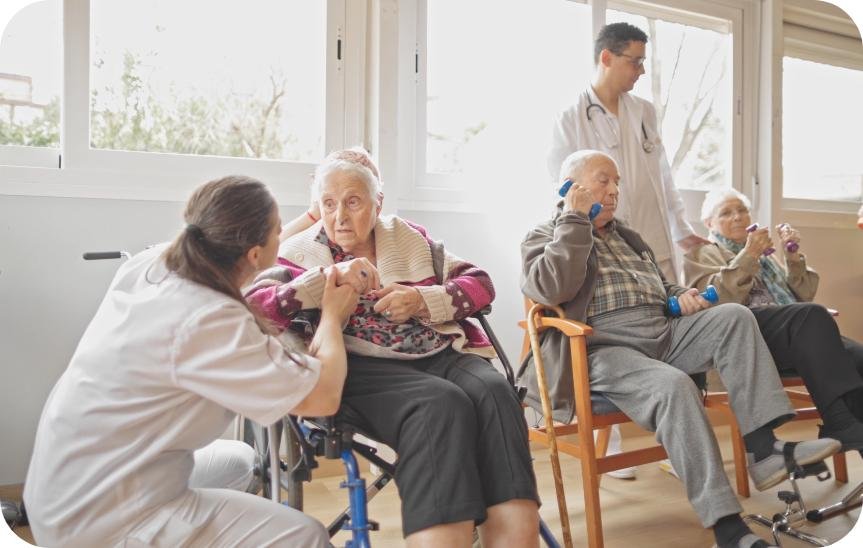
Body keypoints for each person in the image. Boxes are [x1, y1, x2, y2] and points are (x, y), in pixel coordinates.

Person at [520, 150, 840, 548]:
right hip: (603, 344)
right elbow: (552, 289)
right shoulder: (545, 234)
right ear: (571, 186)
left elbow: (659, 286)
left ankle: (764, 450)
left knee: (734, 316)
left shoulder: (627, 236)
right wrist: (574, 219)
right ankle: (728, 529)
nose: (615, 190)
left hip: (663, 331)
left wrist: (682, 295)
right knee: (674, 386)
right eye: (604, 180)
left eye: (617, 181)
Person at [24, 176, 358, 548]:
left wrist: (314, 215)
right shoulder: (210, 320)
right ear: (254, 254)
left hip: (61, 489)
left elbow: (246, 250)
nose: (285, 235)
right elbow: (323, 396)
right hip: (101, 524)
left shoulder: (156, 262)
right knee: (306, 535)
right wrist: (333, 314)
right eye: (278, 230)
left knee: (238, 462)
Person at [246, 147, 540, 548]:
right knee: (439, 404)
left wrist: (422, 300)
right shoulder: (299, 252)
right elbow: (254, 307)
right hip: (361, 369)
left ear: (377, 203)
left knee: (495, 392)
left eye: (352, 202)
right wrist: (327, 278)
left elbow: (480, 283)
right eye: (329, 204)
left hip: (440, 352)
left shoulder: (409, 237)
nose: (339, 216)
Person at [547, 22, 710, 476]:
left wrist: (681, 228)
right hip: (599, 237)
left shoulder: (644, 111)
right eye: (633, 61)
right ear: (606, 57)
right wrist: (571, 229)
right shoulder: (570, 115)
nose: (640, 70)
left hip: (649, 234)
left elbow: (663, 176)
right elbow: (560, 184)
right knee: (609, 334)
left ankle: (680, 443)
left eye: (642, 62)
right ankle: (611, 444)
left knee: (675, 324)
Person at [684, 188, 863, 451]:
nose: (737, 217)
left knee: (858, 356)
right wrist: (749, 255)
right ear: (709, 223)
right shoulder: (702, 254)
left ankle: (850, 432)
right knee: (812, 315)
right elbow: (714, 302)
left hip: (796, 334)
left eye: (742, 210)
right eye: (726, 213)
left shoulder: (766, 258)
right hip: (748, 337)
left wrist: (792, 257)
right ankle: (839, 422)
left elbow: (804, 294)